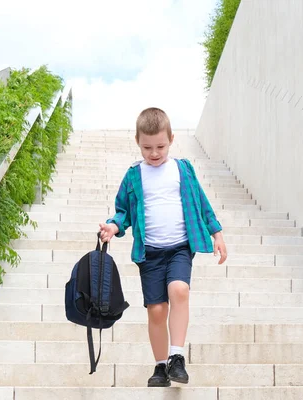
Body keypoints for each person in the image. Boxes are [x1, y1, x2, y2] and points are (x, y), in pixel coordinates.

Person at [99, 107, 227, 387]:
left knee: (179, 290)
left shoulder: (182, 169)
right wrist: (113, 226)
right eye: (147, 147)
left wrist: (216, 232)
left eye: (160, 146)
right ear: (137, 142)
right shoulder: (134, 175)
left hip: (180, 248)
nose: (154, 153)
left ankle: (176, 357)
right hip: (150, 254)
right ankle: (160, 367)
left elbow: (201, 202)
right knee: (156, 310)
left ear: (171, 138)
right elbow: (124, 212)